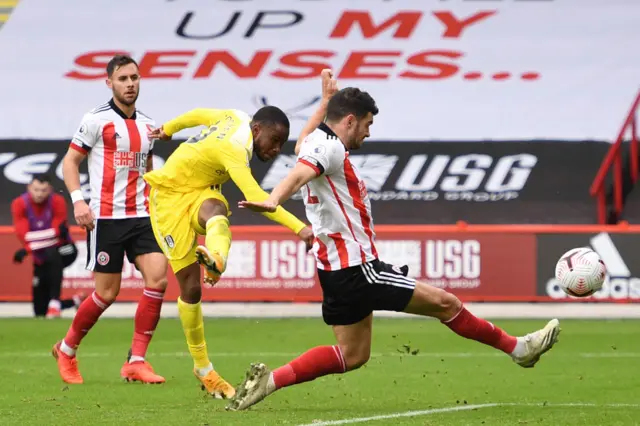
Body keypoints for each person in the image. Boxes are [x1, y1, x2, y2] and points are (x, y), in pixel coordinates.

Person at [227, 83, 562, 411]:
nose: (368, 133)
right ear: (350, 121)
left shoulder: (314, 141)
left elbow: (303, 146)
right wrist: (273, 199)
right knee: (446, 304)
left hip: (333, 271)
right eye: (368, 124)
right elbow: (300, 174)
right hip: (358, 268)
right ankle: (519, 349)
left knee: (353, 355)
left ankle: (269, 383)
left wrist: (324, 102)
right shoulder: (328, 149)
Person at [142, 82, 333, 397]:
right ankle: (203, 369)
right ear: (257, 129)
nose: (275, 150)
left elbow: (200, 114)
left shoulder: (236, 116)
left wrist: (169, 128)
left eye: (281, 144)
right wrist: (300, 228)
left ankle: (216, 258)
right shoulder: (234, 148)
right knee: (190, 289)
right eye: (273, 141)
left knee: (217, 210)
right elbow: (258, 198)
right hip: (169, 199)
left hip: (201, 190)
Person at [51, 55, 169, 385]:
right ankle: (67, 349)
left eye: (134, 77)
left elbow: (148, 171)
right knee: (106, 293)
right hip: (107, 218)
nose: (130, 84)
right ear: (110, 83)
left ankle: (136, 360)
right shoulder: (96, 120)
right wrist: (78, 202)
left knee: (158, 280)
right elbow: (70, 163)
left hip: (143, 216)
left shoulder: (148, 126)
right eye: (123, 79)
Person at [11, 174, 85, 318]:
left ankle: (55, 303)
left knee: (53, 254)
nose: (39, 194)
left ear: (50, 189)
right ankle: (74, 301)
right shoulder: (19, 204)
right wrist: (46, 237)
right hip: (40, 256)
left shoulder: (57, 201)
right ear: (29, 188)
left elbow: (56, 233)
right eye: (36, 190)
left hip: (66, 249)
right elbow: (25, 236)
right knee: (39, 310)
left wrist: (28, 248)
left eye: (43, 190)